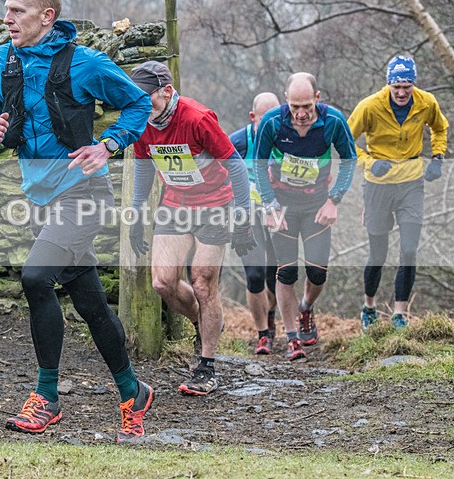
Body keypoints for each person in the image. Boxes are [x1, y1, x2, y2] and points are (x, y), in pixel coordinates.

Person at [0, 0, 154, 442]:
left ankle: (46, 399)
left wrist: (108, 144)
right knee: (90, 302)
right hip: (39, 199)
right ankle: (133, 391)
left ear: (46, 17)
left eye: (18, 11)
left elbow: (138, 103)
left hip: (84, 194)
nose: (6, 19)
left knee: (34, 277)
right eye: (6, 10)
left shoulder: (85, 63)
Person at [128, 61, 255, 395]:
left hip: (214, 204)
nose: (141, 104)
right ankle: (205, 321)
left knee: (202, 283)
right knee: (162, 282)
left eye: (147, 97)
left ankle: (206, 366)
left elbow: (236, 167)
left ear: (167, 92)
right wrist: (137, 214)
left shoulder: (197, 118)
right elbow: (143, 168)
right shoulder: (140, 120)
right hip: (175, 205)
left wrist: (242, 217)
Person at [254, 73, 356, 360]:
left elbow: (350, 160)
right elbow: (259, 165)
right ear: (286, 100)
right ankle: (291, 339)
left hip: (316, 205)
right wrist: (270, 204)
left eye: (307, 106)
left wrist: (335, 200)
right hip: (283, 203)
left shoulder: (333, 121)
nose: (300, 114)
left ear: (318, 99)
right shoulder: (273, 122)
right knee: (286, 271)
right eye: (295, 106)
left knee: (317, 271)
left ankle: (306, 308)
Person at [348, 56, 449, 331]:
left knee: (409, 249)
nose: (402, 92)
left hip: (411, 183)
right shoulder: (369, 107)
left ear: (414, 84)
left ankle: (400, 314)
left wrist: (437, 157)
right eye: (397, 87)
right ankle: (369, 307)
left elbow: (440, 127)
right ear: (388, 84)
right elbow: (345, 142)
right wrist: (369, 162)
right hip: (378, 186)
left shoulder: (426, 102)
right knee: (378, 253)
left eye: (407, 86)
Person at [229, 92, 280, 354]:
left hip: (279, 216)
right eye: (264, 119)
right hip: (247, 217)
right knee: (255, 275)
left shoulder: (287, 140)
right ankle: (263, 334)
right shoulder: (237, 142)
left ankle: (271, 319)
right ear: (253, 117)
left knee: (277, 277)